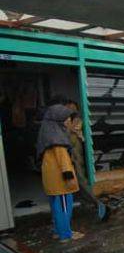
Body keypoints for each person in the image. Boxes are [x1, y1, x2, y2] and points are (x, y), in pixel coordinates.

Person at [36, 104, 84, 242]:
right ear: (59, 121)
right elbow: (64, 162)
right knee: (64, 208)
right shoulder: (58, 139)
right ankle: (66, 235)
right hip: (61, 181)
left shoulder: (48, 134)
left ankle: (58, 231)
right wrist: (69, 179)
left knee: (56, 207)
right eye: (68, 120)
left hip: (52, 179)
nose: (70, 122)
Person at [64, 100, 110, 221]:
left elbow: (75, 137)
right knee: (75, 184)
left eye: (72, 107)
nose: (70, 109)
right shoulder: (67, 122)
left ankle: (99, 205)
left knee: (81, 181)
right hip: (68, 158)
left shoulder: (76, 121)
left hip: (76, 158)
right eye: (68, 107)